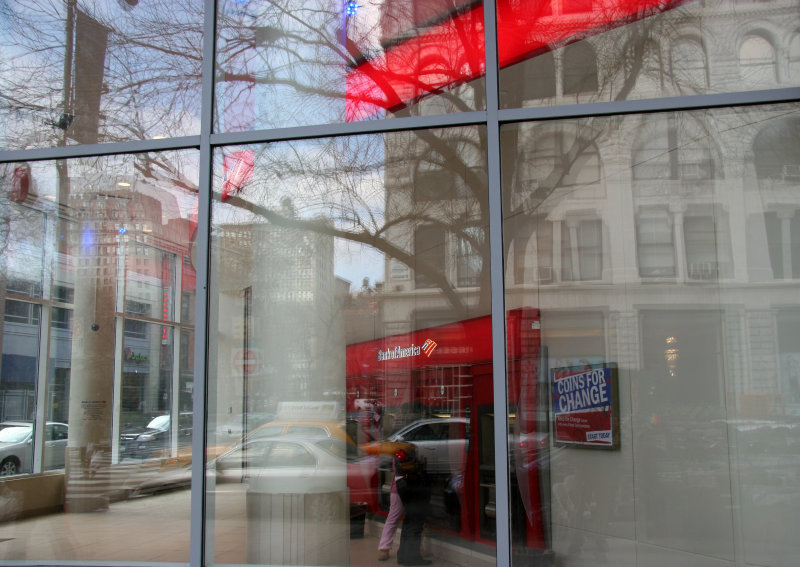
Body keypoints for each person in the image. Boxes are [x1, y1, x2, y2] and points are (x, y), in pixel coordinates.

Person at [394, 448, 431, 566]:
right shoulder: (411, 443)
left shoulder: (403, 443)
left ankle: (404, 555)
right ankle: (412, 557)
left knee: (410, 520)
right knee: (415, 521)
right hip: (412, 483)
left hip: (403, 482)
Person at [377, 454, 405, 561]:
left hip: (405, 489)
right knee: (393, 518)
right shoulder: (400, 453)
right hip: (398, 489)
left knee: (414, 519)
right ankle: (384, 548)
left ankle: (416, 547)